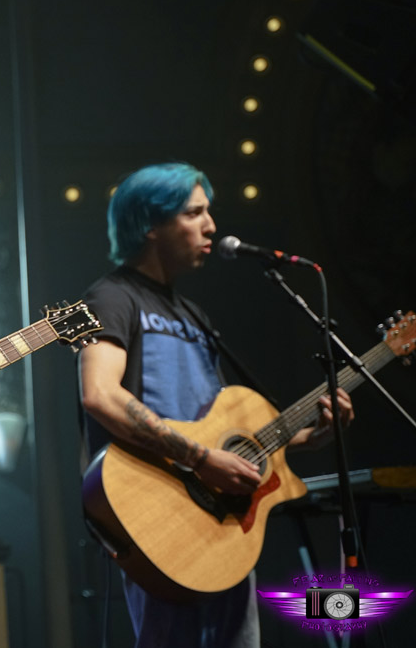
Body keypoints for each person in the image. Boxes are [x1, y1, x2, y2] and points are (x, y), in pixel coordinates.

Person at [77, 162, 353, 647]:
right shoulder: (111, 296)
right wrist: (202, 459)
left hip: (224, 518)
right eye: (194, 213)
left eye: (209, 213)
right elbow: (100, 394)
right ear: (150, 224)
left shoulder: (194, 316)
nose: (212, 226)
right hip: (157, 512)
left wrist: (311, 436)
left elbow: (229, 427)